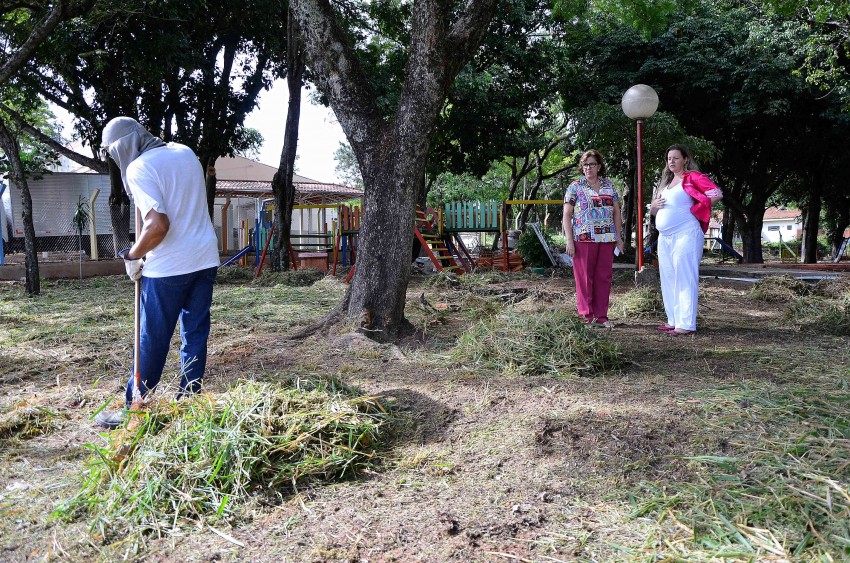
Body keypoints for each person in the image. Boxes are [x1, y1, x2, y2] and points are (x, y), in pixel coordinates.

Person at [95, 117, 220, 429]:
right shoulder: (186, 153)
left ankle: (135, 408)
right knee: (194, 334)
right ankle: (190, 403)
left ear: (121, 146)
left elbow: (157, 224)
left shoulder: (139, 168)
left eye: (112, 153)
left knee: (152, 338)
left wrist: (133, 254)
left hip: (168, 268)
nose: (115, 159)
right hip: (204, 258)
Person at [650, 144, 723, 335]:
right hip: (665, 237)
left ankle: (686, 323)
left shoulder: (692, 177)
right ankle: (673, 320)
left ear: (685, 160)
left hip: (686, 233)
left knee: (685, 276)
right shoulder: (665, 183)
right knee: (668, 277)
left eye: (675, 158)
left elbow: (716, 194)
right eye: (669, 158)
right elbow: (655, 210)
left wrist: (699, 207)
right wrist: (654, 206)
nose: (671, 161)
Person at [562, 149, 625, 328]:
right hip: (583, 239)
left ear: (599, 166)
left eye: (592, 164)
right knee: (584, 278)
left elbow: (616, 213)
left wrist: (618, 238)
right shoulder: (575, 186)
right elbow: (567, 214)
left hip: (606, 238)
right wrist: (569, 240)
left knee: (603, 277)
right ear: (582, 167)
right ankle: (586, 317)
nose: (588, 168)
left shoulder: (609, 186)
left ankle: (601, 316)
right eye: (585, 164)